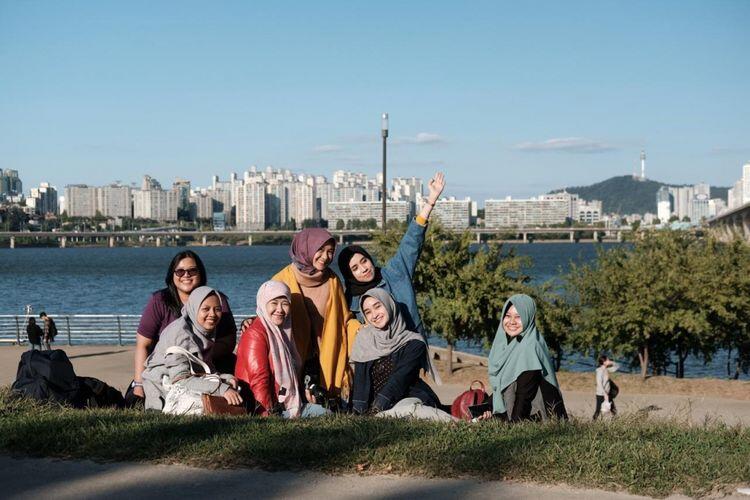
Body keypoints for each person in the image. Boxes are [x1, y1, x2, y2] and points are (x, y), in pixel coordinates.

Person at [337, 172, 446, 384]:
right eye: (355, 268)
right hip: (375, 359)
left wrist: (431, 200)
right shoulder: (350, 301)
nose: (363, 269)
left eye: (364, 261)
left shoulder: (395, 273)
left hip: (408, 349)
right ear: (349, 275)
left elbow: (411, 242)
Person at [131, 251, 237, 401]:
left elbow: (228, 342)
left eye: (192, 270)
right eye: (180, 271)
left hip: (209, 365)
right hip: (167, 367)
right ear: (172, 275)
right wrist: (138, 385)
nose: (186, 275)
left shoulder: (216, 299)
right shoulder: (159, 301)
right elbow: (143, 345)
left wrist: (197, 359)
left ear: (201, 273)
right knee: (133, 400)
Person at [272, 228, 360, 405]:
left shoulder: (332, 280)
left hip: (326, 351)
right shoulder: (281, 280)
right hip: (293, 353)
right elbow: (268, 313)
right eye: (320, 250)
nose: (325, 257)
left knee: (324, 401)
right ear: (306, 248)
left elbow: (344, 318)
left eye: (330, 251)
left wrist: (363, 330)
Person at [350, 288, 450, 421]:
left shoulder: (414, 342)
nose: (374, 315)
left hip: (407, 399)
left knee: (409, 411)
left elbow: (399, 379)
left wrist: (377, 409)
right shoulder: (364, 338)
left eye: (378, 306)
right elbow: (359, 382)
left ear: (389, 304)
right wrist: (358, 412)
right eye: (368, 312)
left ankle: (457, 422)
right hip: (373, 407)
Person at [235, 280, 329, 418]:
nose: (280, 309)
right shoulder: (255, 334)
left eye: (285, 304)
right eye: (274, 303)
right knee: (326, 415)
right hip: (260, 406)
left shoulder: (282, 332)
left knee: (327, 412)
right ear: (263, 303)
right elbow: (259, 379)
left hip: (281, 402)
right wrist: (266, 415)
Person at [141, 286, 242, 412]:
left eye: (217, 309)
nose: (212, 314)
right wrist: (221, 388)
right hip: (163, 392)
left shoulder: (202, 331)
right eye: (205, 309)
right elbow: (180, 380)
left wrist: (225, 379)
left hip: (184, 383)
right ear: (194, 309)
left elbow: (202, 369)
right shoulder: (180, 334)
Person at [485, 294, 568, 422]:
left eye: (518, 317)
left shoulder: (530, 347)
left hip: (538, 418)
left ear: (528, 317)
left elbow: (524, 396)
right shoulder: (514, 344)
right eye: (508, 316)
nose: (512, 321)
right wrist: (485, 408)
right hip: (519, 409)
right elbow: (506, 385)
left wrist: (513, 430)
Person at [593, 354, 618, 419]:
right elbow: (599, 383)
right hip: (601, 394)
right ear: (604, 362)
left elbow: (616, 367)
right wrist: (605, 394)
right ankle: (593, 423)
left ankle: (615, 423)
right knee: (598, 411)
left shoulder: (607, 369)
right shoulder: (599, 371)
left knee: (613, 410)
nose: (609, 360)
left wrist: (612, 362)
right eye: (608, 360)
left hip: (607, 393)